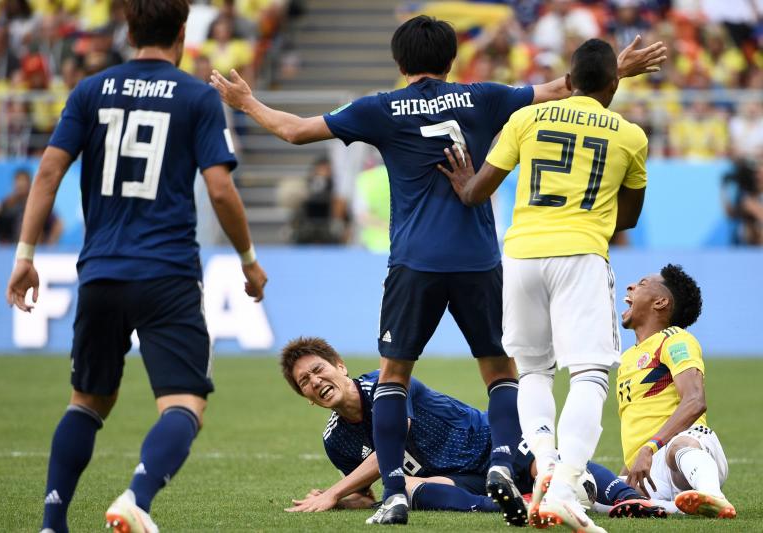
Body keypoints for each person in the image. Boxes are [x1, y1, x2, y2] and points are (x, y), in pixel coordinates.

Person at [210, 15, 665, 526]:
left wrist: (245, 102)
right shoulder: (484, 96)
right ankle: (500, 461)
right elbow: (564, 88)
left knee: (392, 378)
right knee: (500, 372)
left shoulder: (380, 108)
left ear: (400, 62)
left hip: (414, 263)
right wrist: (616, 69)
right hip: (479, 260)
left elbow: (294, 131)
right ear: (451, 59)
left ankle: (395, 496)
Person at [4, 2, 268, 532]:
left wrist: (25, 255)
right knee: (184, 403)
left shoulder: (90, 90)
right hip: (167, 272)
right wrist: (248, 260)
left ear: (127, 30)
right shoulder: (196, 96)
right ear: (181, 33)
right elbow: (219, 188)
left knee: (87, 402)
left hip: (100, 271)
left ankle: (52, 523)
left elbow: (49, 171)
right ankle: (137, 498)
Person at [439, 39, 649, 533]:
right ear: (614, 84)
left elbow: (475, 193)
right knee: (591, 374)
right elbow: (630, 218)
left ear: (568, 82)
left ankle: (547, 467)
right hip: (580, 254)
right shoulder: (631, 136)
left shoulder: (527, 120)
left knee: (532, 371)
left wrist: (464, 180)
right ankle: (564, 484)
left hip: (521, 255)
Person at [279, 336, 667, 519]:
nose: (315, 381)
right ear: (307, 398)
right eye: (305, 383)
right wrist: (339, 498)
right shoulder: (335, 440)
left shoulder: (386, 384)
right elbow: (368, 494)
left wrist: (333, 492)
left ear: (340, 366)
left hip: (489, 444)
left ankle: (626, 497)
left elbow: (391, 446)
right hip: (455, 478)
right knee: (407, 490)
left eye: (318, 370)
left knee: (540, 460)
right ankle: (517, 506)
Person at [618, 264, 736, 518]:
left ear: (660, 302)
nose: (630, 287)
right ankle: (675, 508)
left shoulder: (675, 339)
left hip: (690, 452)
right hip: (651, 473)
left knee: (679, 444)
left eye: (641, 283)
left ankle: (713, 495)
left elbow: (695, 400)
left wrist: (649, 448)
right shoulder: (628, 358)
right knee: (595, 488)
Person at [0, 168, 63, 244]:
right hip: (9, 247)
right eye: (18, 181)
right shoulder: (7, 203)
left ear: (29, 183)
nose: (20, 185)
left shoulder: (38, 203)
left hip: (34, 247)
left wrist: (49, 245)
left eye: (23, 181)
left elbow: (58, 224)